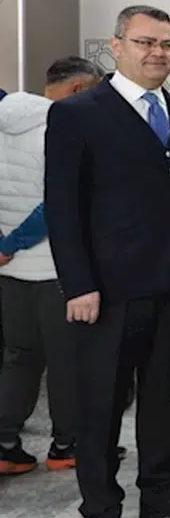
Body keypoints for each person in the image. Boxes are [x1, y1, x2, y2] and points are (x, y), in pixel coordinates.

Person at [44, 5, 170, 518]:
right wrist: (78, 283)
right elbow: (63, 205)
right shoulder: (79, 113)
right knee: (102, 401)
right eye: (146, 42)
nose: (157, 53)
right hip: (108, 290)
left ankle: (161, 491)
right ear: (117, 45)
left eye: (166, 44)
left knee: (165, 395)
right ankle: (101, 502)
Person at [0, 57, 102, 476]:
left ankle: (6, 444)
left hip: (10, 271)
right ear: (78, 89)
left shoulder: (4, 121)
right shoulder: (63, 128)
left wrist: (3, 247)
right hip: (57, 268)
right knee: (67, 360)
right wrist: (14, 242)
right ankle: (66, 445)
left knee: (19, 357)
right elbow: (57, 204)